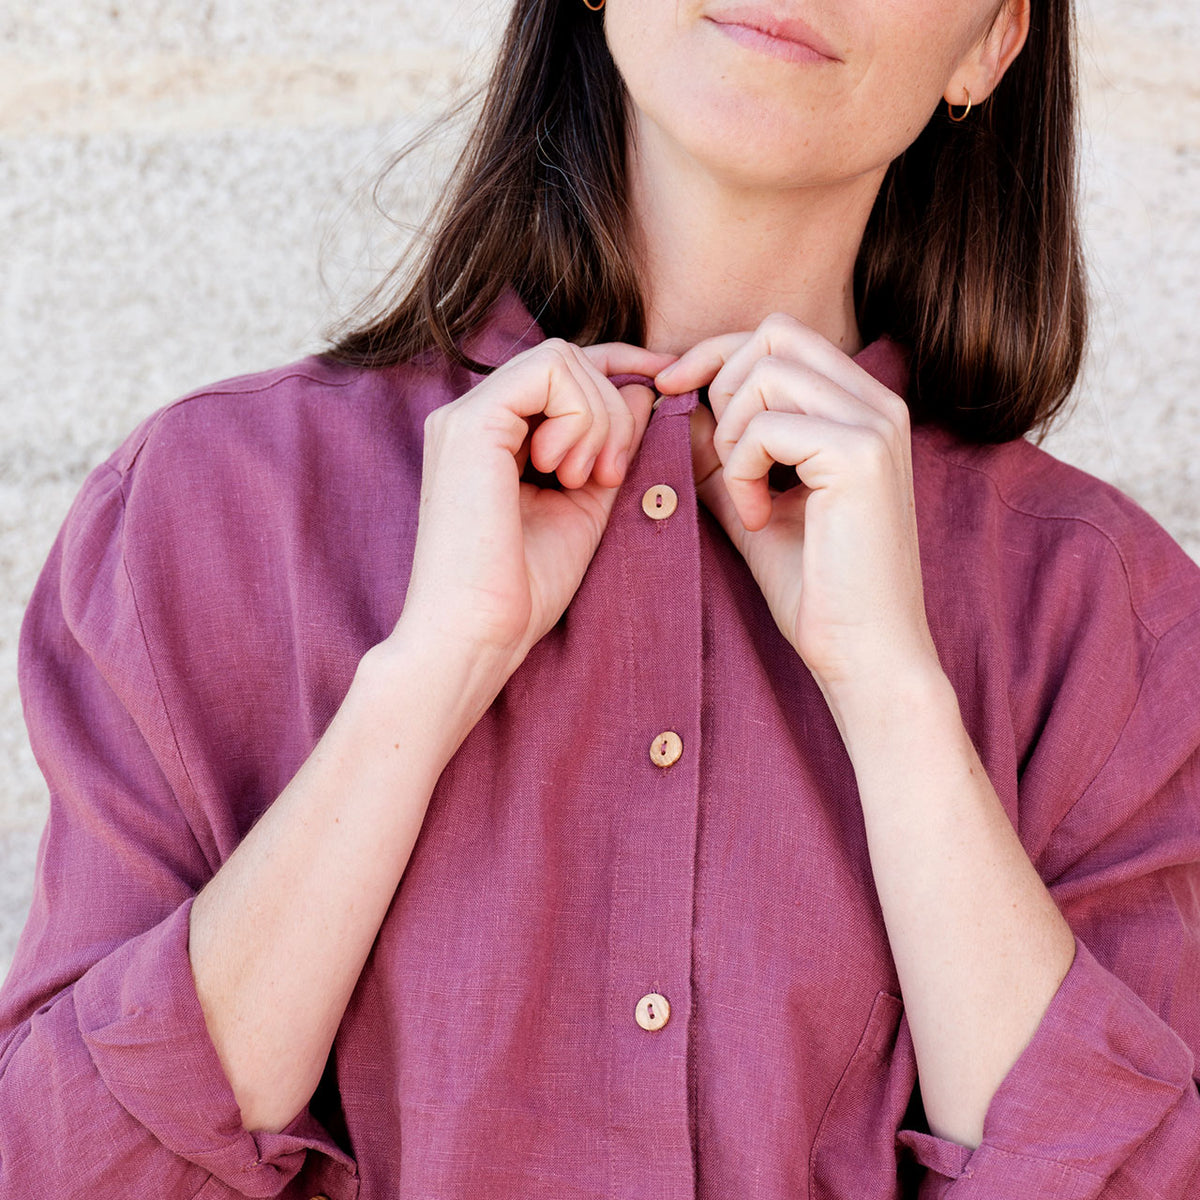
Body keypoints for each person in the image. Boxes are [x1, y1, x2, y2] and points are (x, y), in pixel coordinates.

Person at [2, 0, 1198, 1196]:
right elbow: (66, 1173)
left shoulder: (1117, 623)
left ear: (991, 44)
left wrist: (895, 696)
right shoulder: (208, 515)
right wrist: (427, 675)